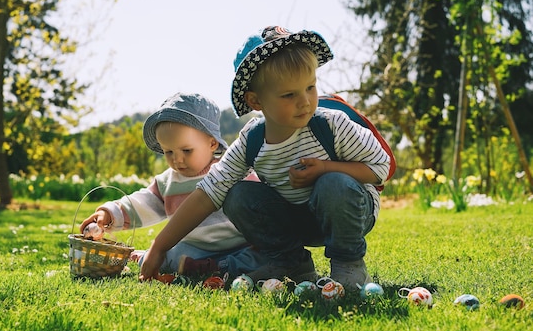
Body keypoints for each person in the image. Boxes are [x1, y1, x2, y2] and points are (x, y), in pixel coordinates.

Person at [139, 26, 391, 289]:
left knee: (333, 183)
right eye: (289, 95)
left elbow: (380, 167)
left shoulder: (331, 126)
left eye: (310, 87)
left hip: (349, 212)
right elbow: (208, 193)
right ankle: (292, 263)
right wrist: (159, 246)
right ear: (256, 100)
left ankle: (348, 265)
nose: (305, 101)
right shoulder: (253, 139)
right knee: (237, 195)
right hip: (296, 219)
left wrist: (325, 169)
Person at [80, 92, 267, 278]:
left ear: (211, 143)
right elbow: (142, 203)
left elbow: (258, 202)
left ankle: (209, 267)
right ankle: (204, 267)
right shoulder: (167, 183)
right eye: (168, 151)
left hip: (237, 246)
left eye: (186, 150)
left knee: (259, 256)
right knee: (166, 256)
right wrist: (109, 213)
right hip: (194, 249)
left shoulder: (231, 170)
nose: (177, 159)